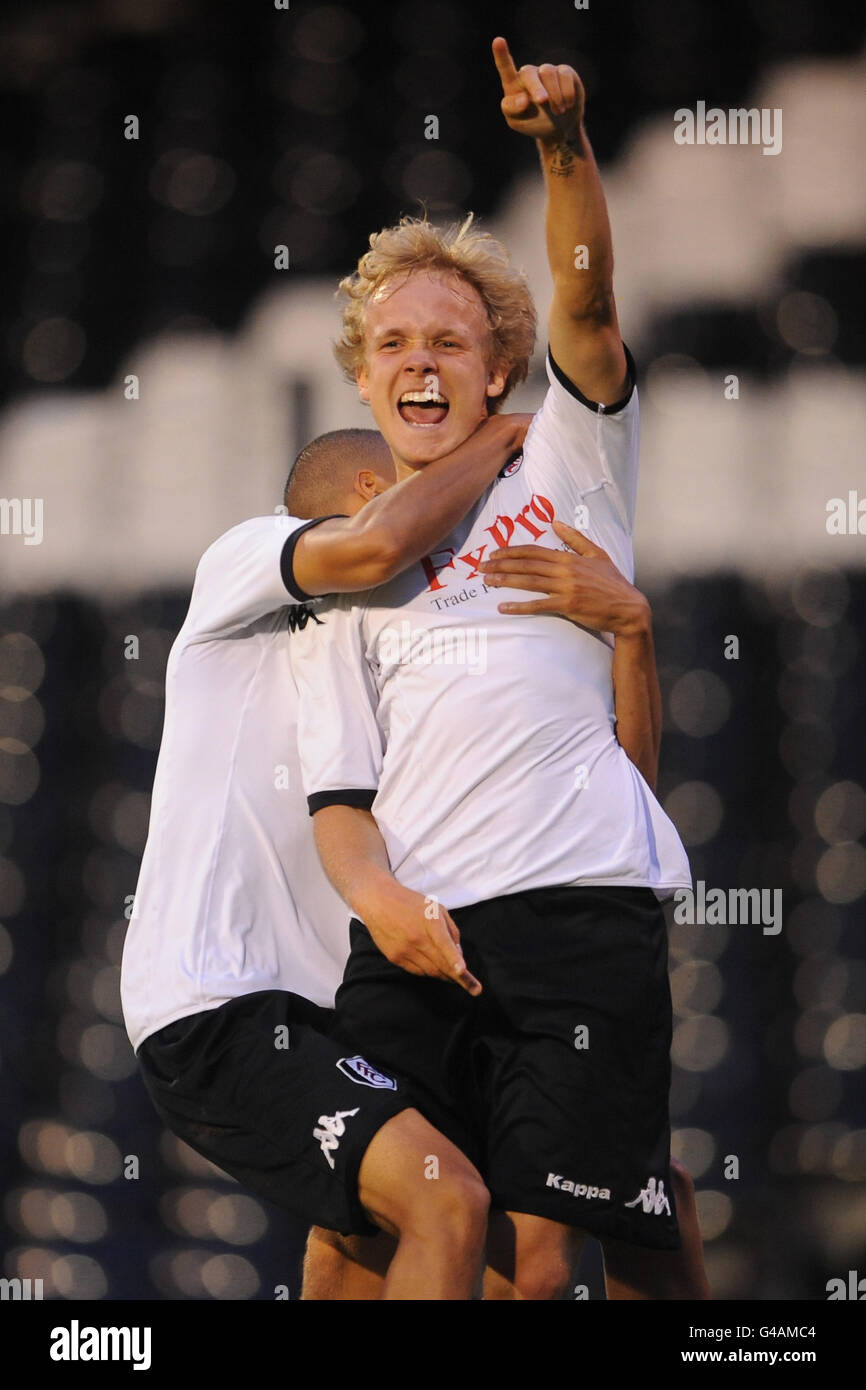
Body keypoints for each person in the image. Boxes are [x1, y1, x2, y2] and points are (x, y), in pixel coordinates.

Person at [289, 37, 700, 1300]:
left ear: (499, 369)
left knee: (543, 1249)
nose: (423, 359)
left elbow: (585, 299)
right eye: (396, 341)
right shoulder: (348, 562)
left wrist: (560, 149)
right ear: (363, 374)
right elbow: (339, 795)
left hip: (575, 912)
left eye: (453, 341)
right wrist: (379, 908)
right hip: (415, 934)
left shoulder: (564, 465)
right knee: (350, 1233)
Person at [120, 413, 531, 1300]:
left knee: (460, 1254)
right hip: (216, 1000)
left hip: (331, 1009)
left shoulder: (386, 645)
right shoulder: (247, 557)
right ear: (369, 492)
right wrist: (500, 436)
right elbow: (379, 545)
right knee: (446, 1200)